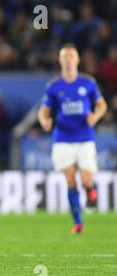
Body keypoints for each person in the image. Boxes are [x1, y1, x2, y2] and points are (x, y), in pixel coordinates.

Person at [38, 43, 107, 234]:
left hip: (85, 136)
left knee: (85, 180)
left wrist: (96, 115)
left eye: (71, 56)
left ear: (77, 60)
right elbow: (43, 110)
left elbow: (101, 105)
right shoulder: (54, 86)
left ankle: (91, 191)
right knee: (70, 181)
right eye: (64, 56)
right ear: (60, 60)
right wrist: (44, 120)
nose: (68, 59)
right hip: (62, 138)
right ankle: (78, 223)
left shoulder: (88, 83)